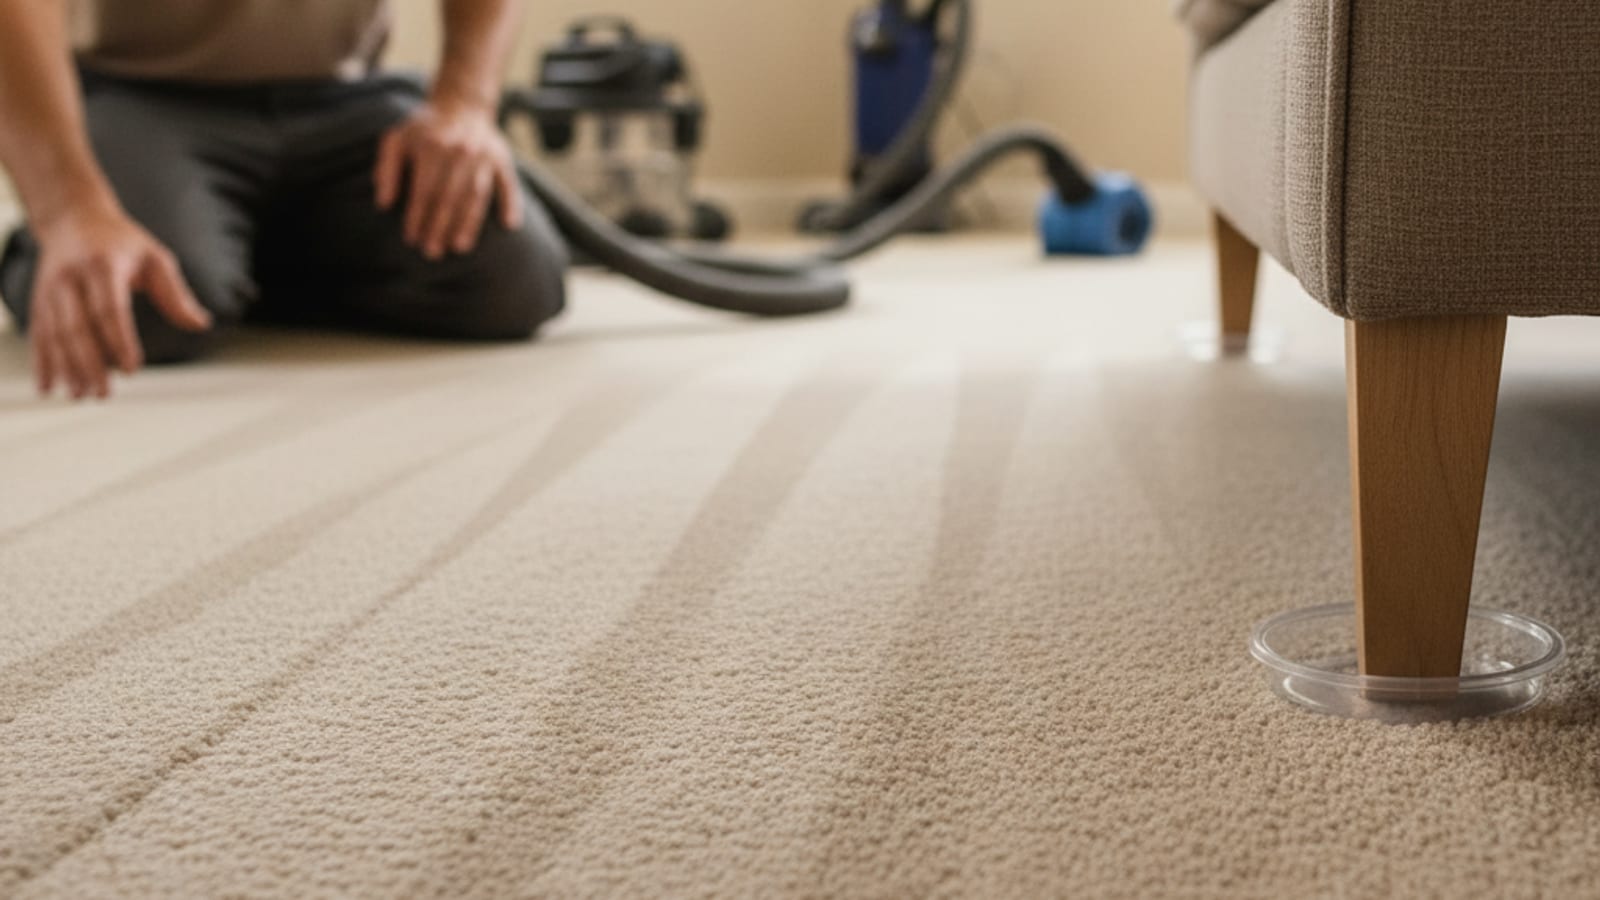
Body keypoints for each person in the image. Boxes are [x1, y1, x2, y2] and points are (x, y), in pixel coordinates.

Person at [0, 0, 568, 400]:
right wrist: (68, 212)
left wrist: (464, 103)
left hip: (342, 98)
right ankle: (47, 253)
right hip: (140, 93)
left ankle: (227, 258)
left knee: (508, 281)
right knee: (145, 313)